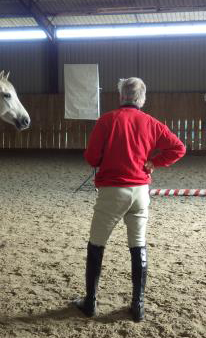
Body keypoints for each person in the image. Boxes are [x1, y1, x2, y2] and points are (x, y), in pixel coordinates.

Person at [74, 77, 186, 322]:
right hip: (140, 191)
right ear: (141, 99)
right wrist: (154, 162)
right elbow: (178, 148)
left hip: (113, 191)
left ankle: (90, 301)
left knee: (96, 244)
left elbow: (92, 158)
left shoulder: (107, 120)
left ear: (121, 96)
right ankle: (138, 304)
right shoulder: (152, 123)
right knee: (138, 245)